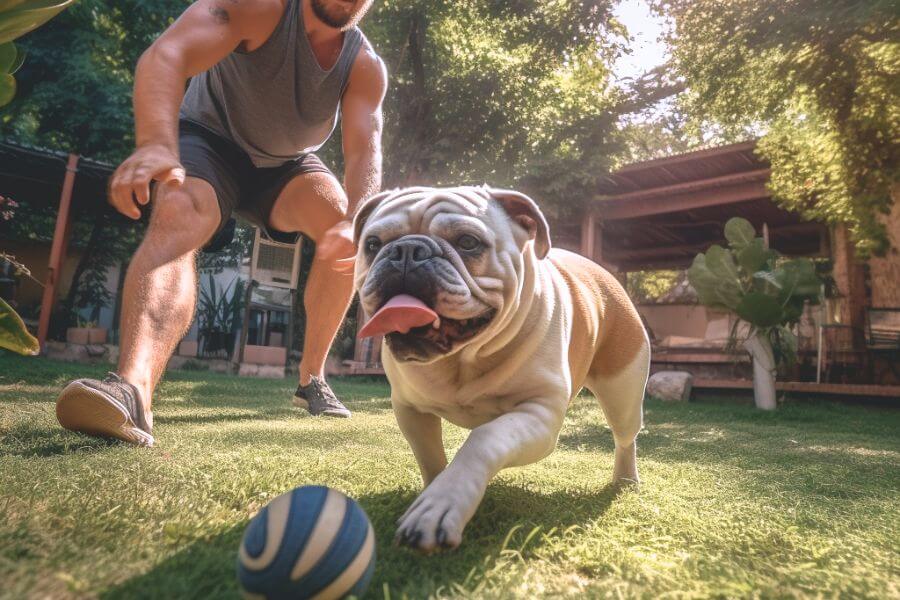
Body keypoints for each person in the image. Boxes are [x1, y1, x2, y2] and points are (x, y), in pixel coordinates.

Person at [55, 0, 387, 446]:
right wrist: (156, 143)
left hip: (286, 165)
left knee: (343, 227)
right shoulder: (261, 8)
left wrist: (356, 219)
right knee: (178, 208)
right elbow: (168, 54)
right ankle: (132, 389)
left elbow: (365, 148)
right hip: (210, 141)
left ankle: (312, 378)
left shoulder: (364, 65)